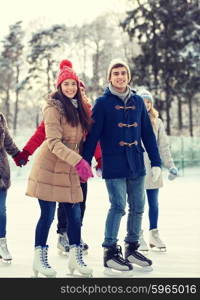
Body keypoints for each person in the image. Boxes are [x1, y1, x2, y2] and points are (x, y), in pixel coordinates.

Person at [82, 58, 162, 276]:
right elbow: (92, 136)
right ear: (110, 77)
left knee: (138, 206)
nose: (120, 77)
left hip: (136, 161)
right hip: (114, 163)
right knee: (118, 206)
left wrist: (156, 161)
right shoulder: (102, 103)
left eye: (123, 73)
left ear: (128, 76)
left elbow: (147, 133)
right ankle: (109, 252)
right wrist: (84, 162)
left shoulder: (137, 101)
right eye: (115, 73)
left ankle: (132, 248)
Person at [13, 80, 102, 256]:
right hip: (60, 165)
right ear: (61, 88)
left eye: (79, 89)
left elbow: (93, 140)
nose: (76, 91)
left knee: (79, 205)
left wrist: (99, 160)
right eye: (68, 85)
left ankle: (75, 239)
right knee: (57, 209)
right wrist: (25, 152)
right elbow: (43, 135)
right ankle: (63, 234)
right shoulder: (56, 110)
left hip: (78, 168)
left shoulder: (85, 111)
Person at [25, 59, 93, 278]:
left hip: (70, 166)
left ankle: (75, 258)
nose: (70, 88)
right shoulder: (53, 108)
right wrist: (79, 161)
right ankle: (39, 260)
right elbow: (53, 143)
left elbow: (84, 138)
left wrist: (90, 159)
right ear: (60, 87)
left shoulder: (81, 107)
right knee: (47, 215)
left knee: (74, 214)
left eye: (73, 84)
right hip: (49, 167)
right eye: (66, 85)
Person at [137, 89, 178, 252]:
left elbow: (163, 146)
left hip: (153, 169)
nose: (146, 105)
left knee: (154, 204)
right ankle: (137, 236)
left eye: (149, 102)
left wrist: (171, 165)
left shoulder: (157, 122)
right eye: (143, 101)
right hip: (138, 169)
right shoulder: (133, 119)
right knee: (137, 204)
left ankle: (154, 234)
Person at [0, 112, 21, 263]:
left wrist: (19, 155)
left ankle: (1, 243)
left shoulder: (0, 117)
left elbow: (7, 141)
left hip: (0, 173)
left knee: (1, 210)